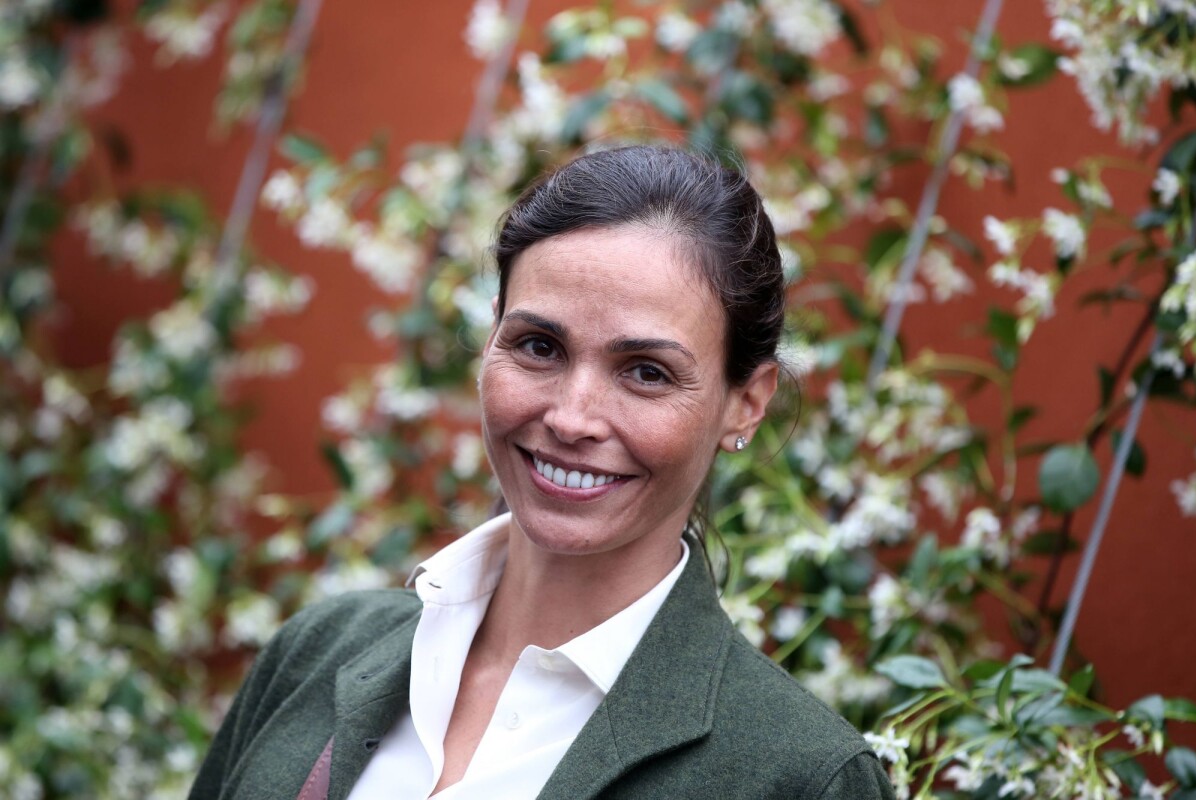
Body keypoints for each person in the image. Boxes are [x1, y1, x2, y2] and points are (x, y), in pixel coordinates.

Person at [189, 145, 895, 800]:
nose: (571, 417)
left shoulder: (799, 776)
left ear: (747, 404)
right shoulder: (321, 648)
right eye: (538, 347)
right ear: (492, 332)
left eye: (646, 372)